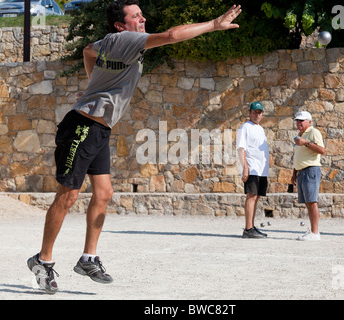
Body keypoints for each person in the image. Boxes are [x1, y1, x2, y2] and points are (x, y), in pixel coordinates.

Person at [28, 0, 242, 294]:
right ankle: (43, 260)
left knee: (104, 193)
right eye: (136, 16)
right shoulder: (127, 40)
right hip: (81, 127)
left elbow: (87, 50)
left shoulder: (110, 42)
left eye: (142, 14)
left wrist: (93, 85)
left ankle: (88, 259)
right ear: (121, 25)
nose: (142, 19)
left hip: (99, 128)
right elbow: (171, 35)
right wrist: (214, 25)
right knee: (68, 196)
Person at [236, 102, 270, 238]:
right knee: (251, 196)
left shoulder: (260, 129)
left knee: (256, 197)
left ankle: (251, 226)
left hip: (261, 169)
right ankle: (248, 229)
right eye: (255, 112)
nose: (257, 114)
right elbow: (241, 148)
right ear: (249, 113)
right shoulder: (245, 128)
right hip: (252, 168)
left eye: (260, 112)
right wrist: (245, 168)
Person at [291, 111, 325, 241]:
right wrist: (294, 173)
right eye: (297, 120)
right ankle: (312, 231)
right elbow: (298, 156)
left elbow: (322, 150)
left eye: (302, 120)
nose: (298, 123)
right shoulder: (299, 136)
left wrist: (306, 143)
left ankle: (315, 233)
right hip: (301, 172)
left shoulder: (313, 132)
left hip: (311, 170)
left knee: (312, 202)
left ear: (309, 122)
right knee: (308, 202)